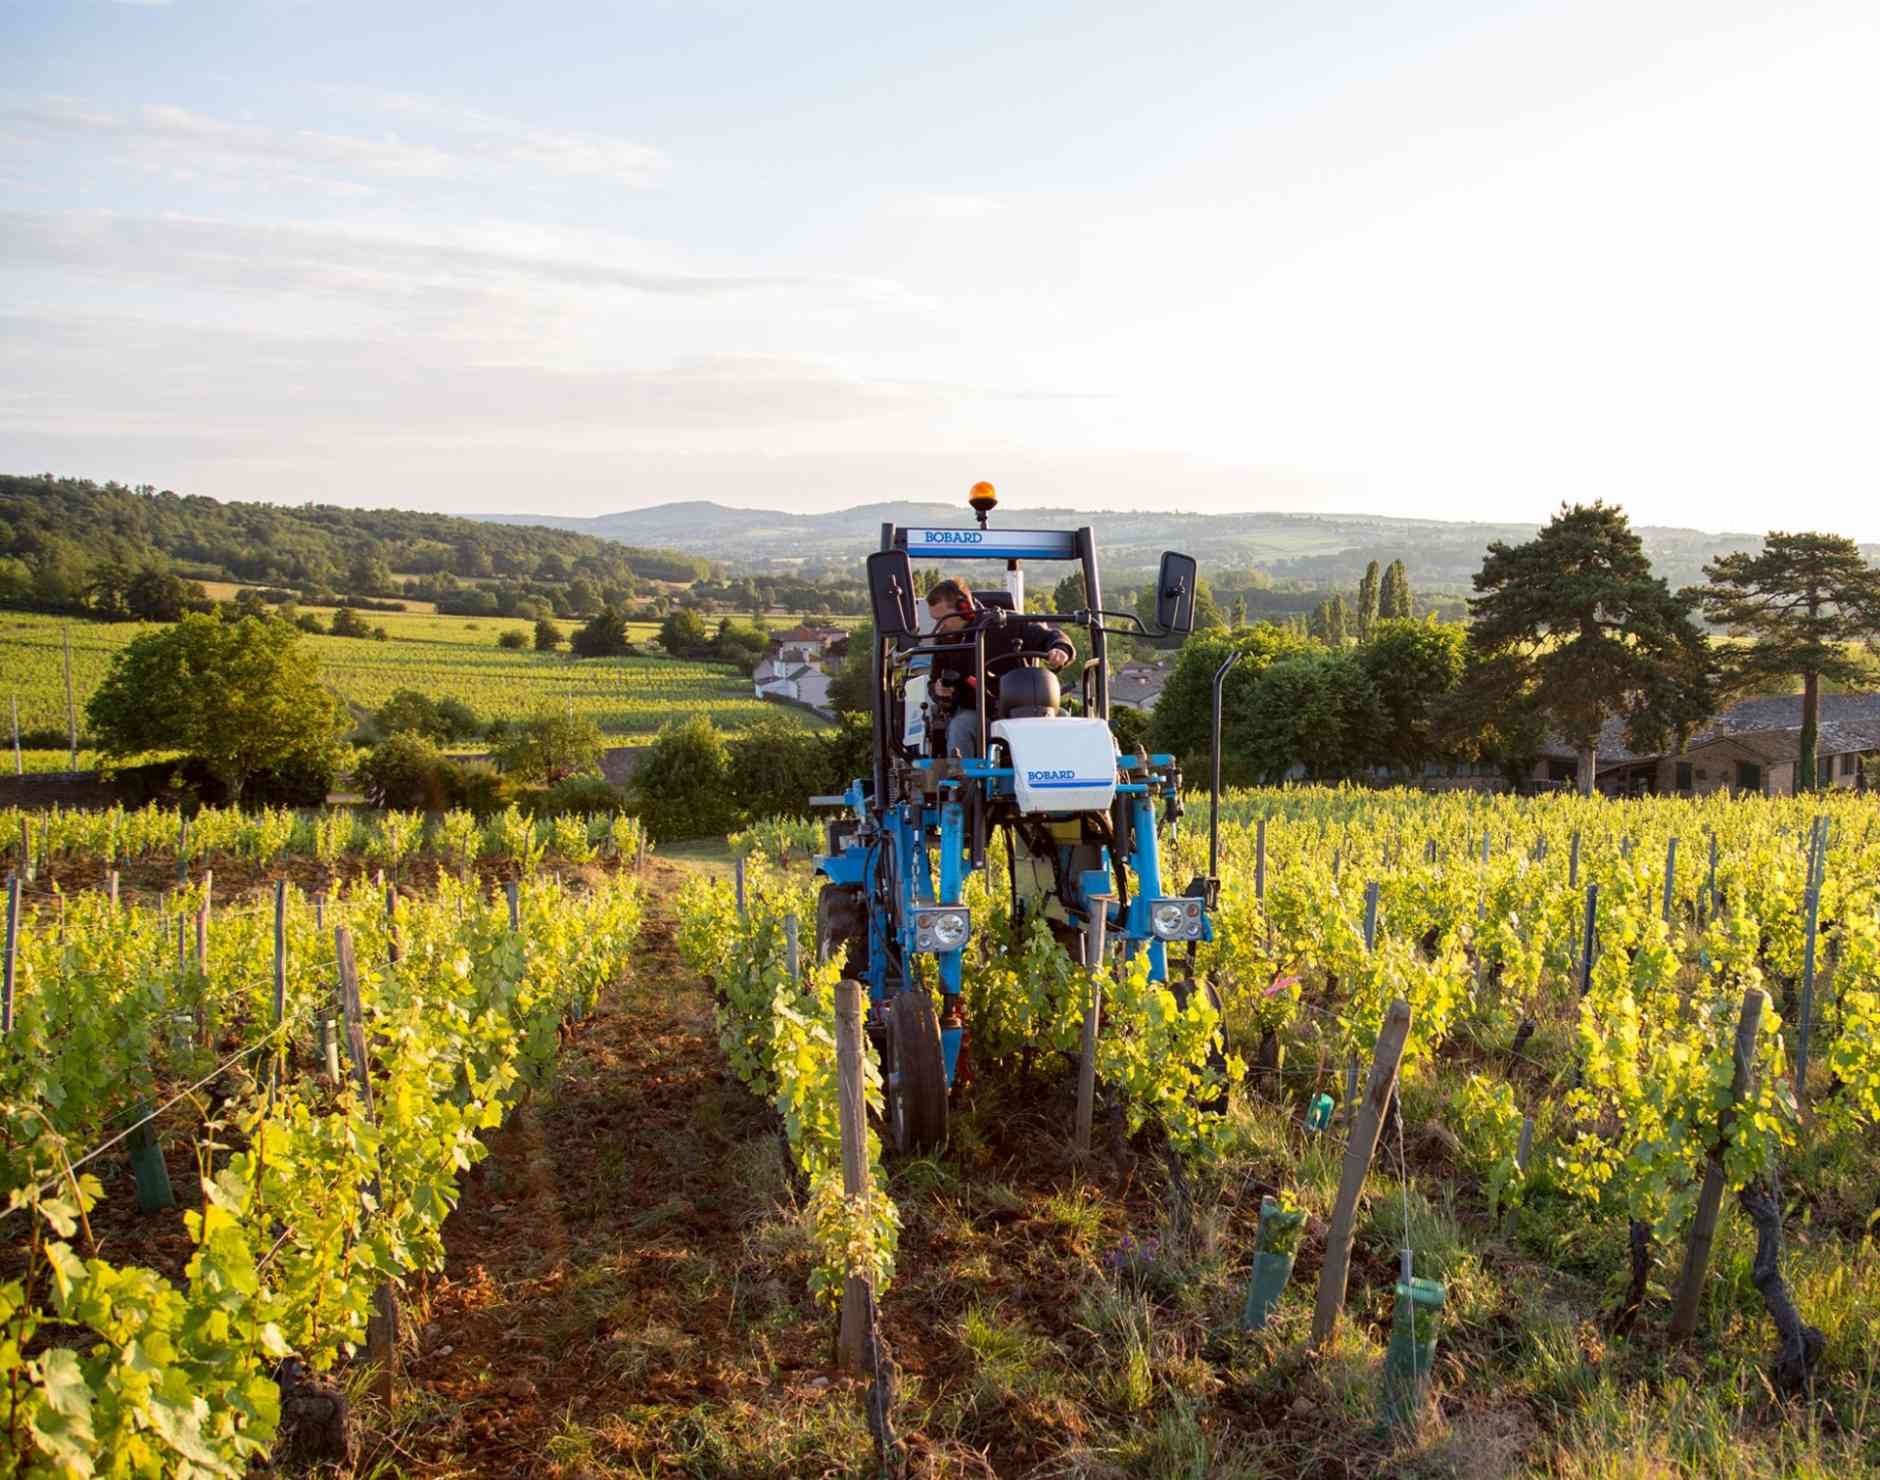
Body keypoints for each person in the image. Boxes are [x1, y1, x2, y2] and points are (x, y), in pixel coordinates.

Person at [925, 578, 1075, 757]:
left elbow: (1051, 636)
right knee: (960, 726)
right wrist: (939, 690)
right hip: (979, 712)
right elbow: (934, 682)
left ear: (964, 608)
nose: (940, 627)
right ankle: (963, 783)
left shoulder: (1010, 623)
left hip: (1027, 707)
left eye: (943, 619)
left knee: (1066, 721)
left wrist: (1060, 648)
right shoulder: (944, 640)